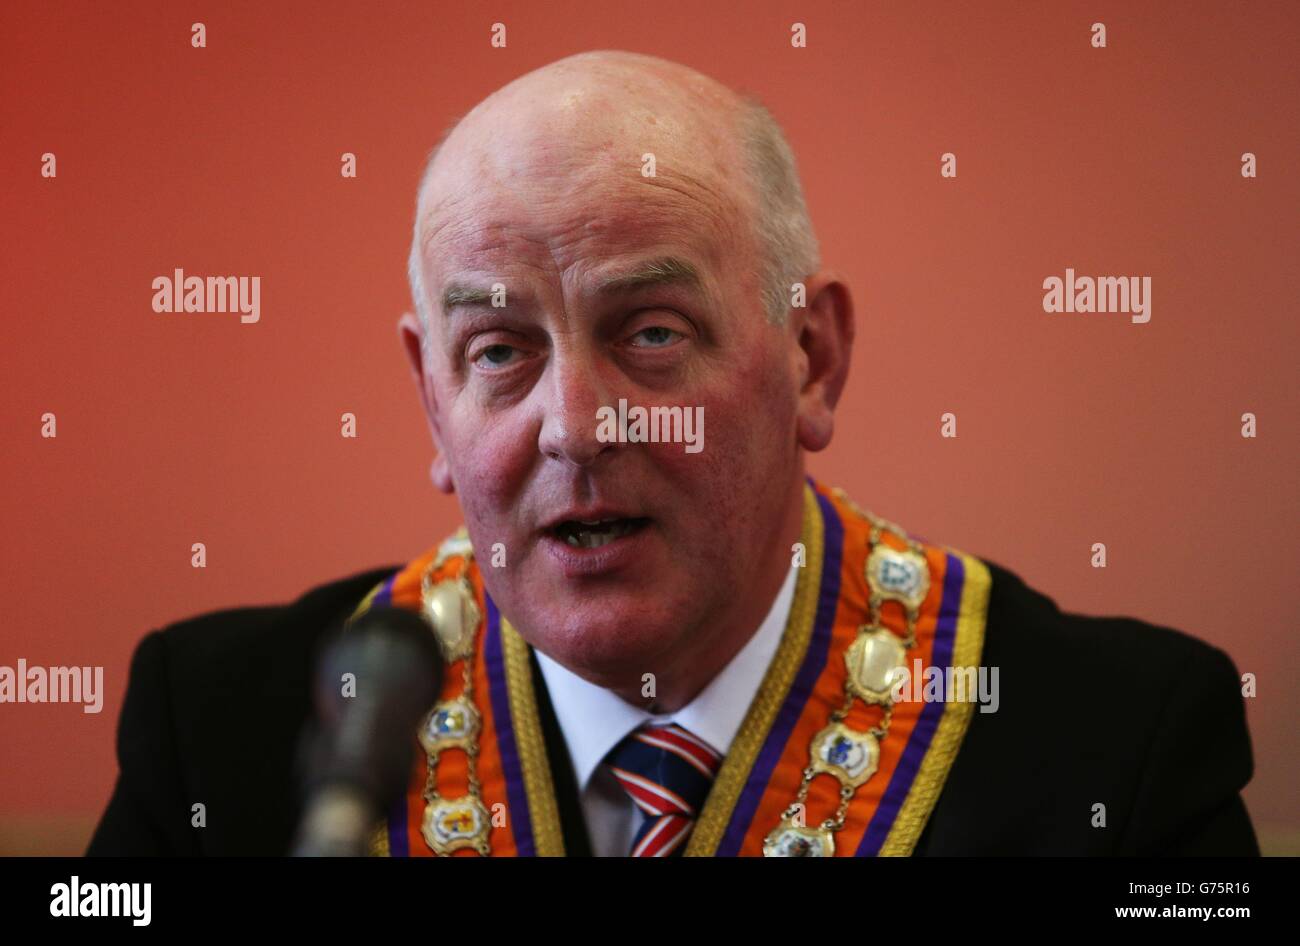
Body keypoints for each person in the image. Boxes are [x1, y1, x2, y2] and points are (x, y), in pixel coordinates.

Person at [87, 50, 1258, 857]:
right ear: (430, 399)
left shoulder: (1122, 747)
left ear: (811, 357)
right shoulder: (224, 736)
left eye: (651, 334)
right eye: (498, 350)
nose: (579, 425)